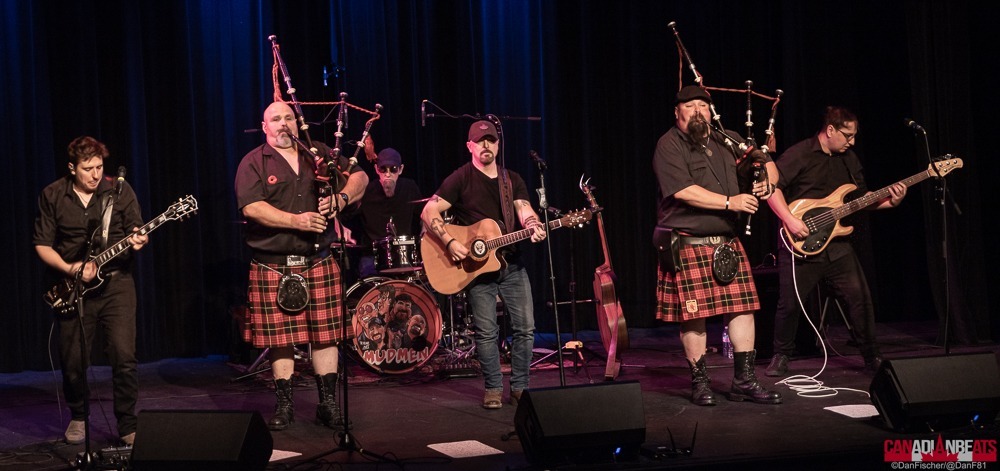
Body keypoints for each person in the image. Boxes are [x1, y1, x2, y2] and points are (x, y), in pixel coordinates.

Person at [235, 101, 369, 431]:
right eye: (275, 119)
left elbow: (361, 177)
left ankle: (327, 404)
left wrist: (341, 199)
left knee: (325, 337)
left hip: (318, 260)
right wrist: (296, 221)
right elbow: (252, 208)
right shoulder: (253, 162)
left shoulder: (318, 153)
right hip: (273, 264)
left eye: (289, 118)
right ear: (264, 127)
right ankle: (285, 405)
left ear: (297, 122)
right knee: (280, 340)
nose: (284, 124)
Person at [652, 85, 782, 406]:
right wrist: (730, 201)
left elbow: (765, 162)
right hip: (688, 242)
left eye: (704, 106)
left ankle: (744, 381)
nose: (699, 112)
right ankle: (700, 382)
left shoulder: (728, 138)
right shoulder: (668, 145)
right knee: (693, 316)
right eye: (691, 106)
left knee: (742, 309)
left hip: (727, 242)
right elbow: (683, 190)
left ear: (711, 112)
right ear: (677, 112)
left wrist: (767, 179)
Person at [765, 106, 906, 377]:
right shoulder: (799, 154)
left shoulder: (849, 160)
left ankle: (871, 356)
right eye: (847, 135)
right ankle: (781, 355)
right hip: (800, 241)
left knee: (860, 298)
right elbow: (771, 188)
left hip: (837, 244)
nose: (852, 142)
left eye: (854, 136)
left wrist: (890, 202)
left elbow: (860, 202)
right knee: (790, 303)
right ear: (830, 130)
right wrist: (790, 220)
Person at [420, 120, 545, 409]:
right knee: (487, 332)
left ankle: (520, 387)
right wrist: (451, 242)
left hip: (512, 263)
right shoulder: (461, 178)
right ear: (470, 146)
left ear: (498, 145)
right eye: (480, 141)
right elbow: (429, 210)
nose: (486, 145)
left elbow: (524, 210)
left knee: (526, 328)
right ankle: (492, 388)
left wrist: (534, 224)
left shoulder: (511, 179)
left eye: (491, 140)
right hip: (476, 269)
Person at [33, 136, 149, 445]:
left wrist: (139, 239)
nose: (95, 174)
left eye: (99, 167)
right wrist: (72, 269)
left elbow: (137, 231)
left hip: (117, 284)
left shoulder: (119, 192)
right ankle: (79, 416)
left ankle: (127, 425)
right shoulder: (53, 195)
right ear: (73, 168)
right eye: (88, 169)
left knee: (124, 356)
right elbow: (42, 245)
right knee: (73, 361)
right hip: (73, 287)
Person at [354, 143, 424, 278]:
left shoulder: (409, 188)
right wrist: (342, 230)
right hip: (373, 256)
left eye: (393, 169)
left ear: (401, 169)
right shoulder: (366, 190)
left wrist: (425, 232)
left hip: (404, 255)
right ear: (376, 169)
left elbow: (424, 215)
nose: (388, 174)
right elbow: (342, 211)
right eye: (383, 169)